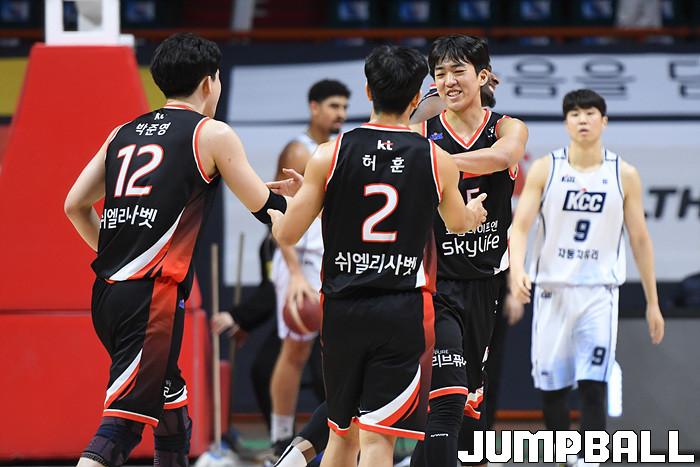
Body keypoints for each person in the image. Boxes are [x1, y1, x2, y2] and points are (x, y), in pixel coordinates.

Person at [63, 33, 287, 467]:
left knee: (172, 414)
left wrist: (121, 257)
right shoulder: (211, 133)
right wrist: (315, 200)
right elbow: (270, 211)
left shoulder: (123, 133)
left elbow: (74, 205)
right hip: (151, 299)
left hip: (108, 294)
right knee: (124, 425)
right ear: (208, 82)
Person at [269, 44, 488, 467]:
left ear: (368, 91)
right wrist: (475, 212)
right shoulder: (437, 159)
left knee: (341, 436)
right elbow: (459, 223)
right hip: (403, 310)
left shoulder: (329, 153)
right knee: (378, 440)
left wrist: (281, 209)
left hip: (344, 307)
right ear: (416, 97)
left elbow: (289, 232)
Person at [509, 89, 665, 467]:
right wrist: (516, 271)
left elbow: (640, 239)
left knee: (595, 384)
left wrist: (653, 302)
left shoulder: (624, 174)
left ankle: (591, 461)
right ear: (566, 122)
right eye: (575, 113)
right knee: (553, 388)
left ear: (604, 121)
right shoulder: (546, 168)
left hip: (599, 293)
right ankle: (564, 459)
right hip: (552, 291)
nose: (582, 119)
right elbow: (520, 227)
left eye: (590, 112)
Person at [408, 35, 528, 467]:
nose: (448, 80)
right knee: (447, 396)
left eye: (458, 70)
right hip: (436, 284)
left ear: (482, 76)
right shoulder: (422, 132)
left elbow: (500, 158)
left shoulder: (507, 128)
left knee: (469, 401)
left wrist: (433, 162)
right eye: (439, 73)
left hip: (486, 283)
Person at [268, 79, 350, 457]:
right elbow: (277, 212)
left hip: (328, 254)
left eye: (344, 107)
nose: (340, 113)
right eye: (333, 106)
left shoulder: (339, 148)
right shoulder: (299, 149)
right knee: (295, 350)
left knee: (336, 350)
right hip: (297, 255)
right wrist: (295, 274)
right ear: (314, 107)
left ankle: (337, 433)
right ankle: (280, 437)